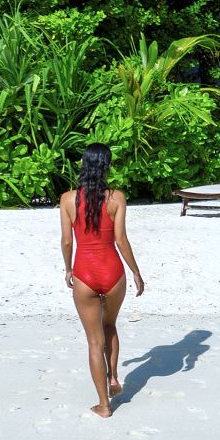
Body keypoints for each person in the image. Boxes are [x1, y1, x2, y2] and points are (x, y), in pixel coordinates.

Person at [59, 146, 144, 417]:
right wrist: (136, 272)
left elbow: (67, 240)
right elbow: (121, 240)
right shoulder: (117, 198)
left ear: (83, 165)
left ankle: (104, 405)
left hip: (85, 273)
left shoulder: (67, 200)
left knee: (94, 342)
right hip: (113, 273)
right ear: (107, 166)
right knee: (109, 326)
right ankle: (114, 378)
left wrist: (67, 269)